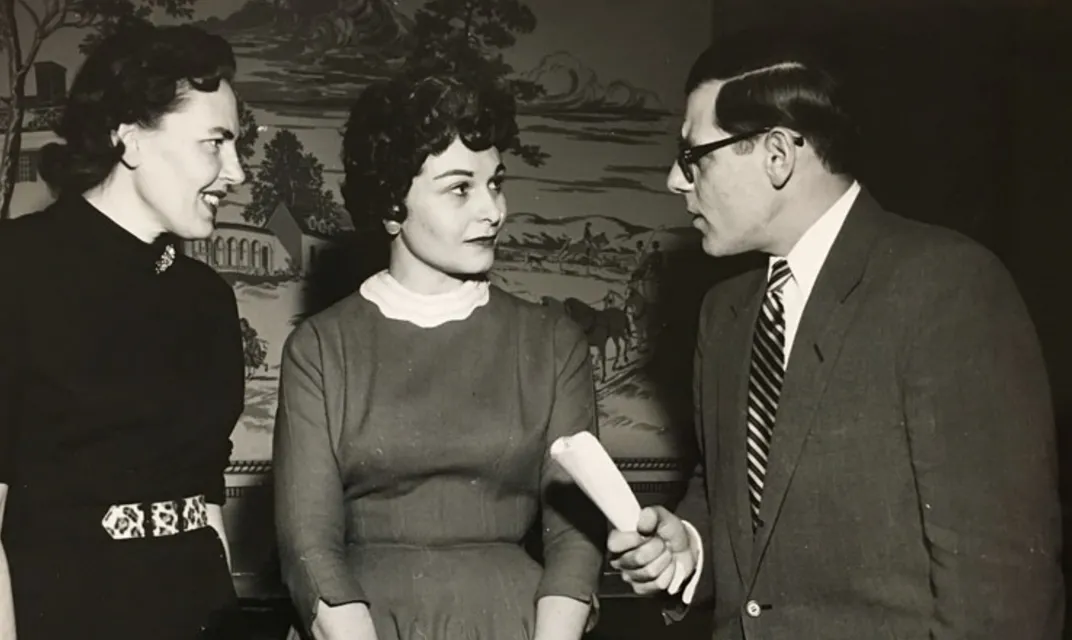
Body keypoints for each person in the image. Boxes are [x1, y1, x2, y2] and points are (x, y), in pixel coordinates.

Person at [607, 28, 1063, 639]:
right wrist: (689, 545)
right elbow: (733, 502)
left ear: (776, 155)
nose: (675, 180)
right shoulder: (724, 313)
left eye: (696, 157)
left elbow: (1001, 589)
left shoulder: (946, 287)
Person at [272, 71, 605, 640]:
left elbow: (574, 539)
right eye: (460, 188)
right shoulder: (322, 349)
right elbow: (309, 543)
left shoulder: (553, 343)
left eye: (496, 183)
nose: (493, 211)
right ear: (391, 206)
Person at [0, 24, 248, 640]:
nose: (237, 173)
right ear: (130, 136)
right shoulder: (14, 272)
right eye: (216, 143)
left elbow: (204, 502)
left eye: (239, 146)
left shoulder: (209, 301)